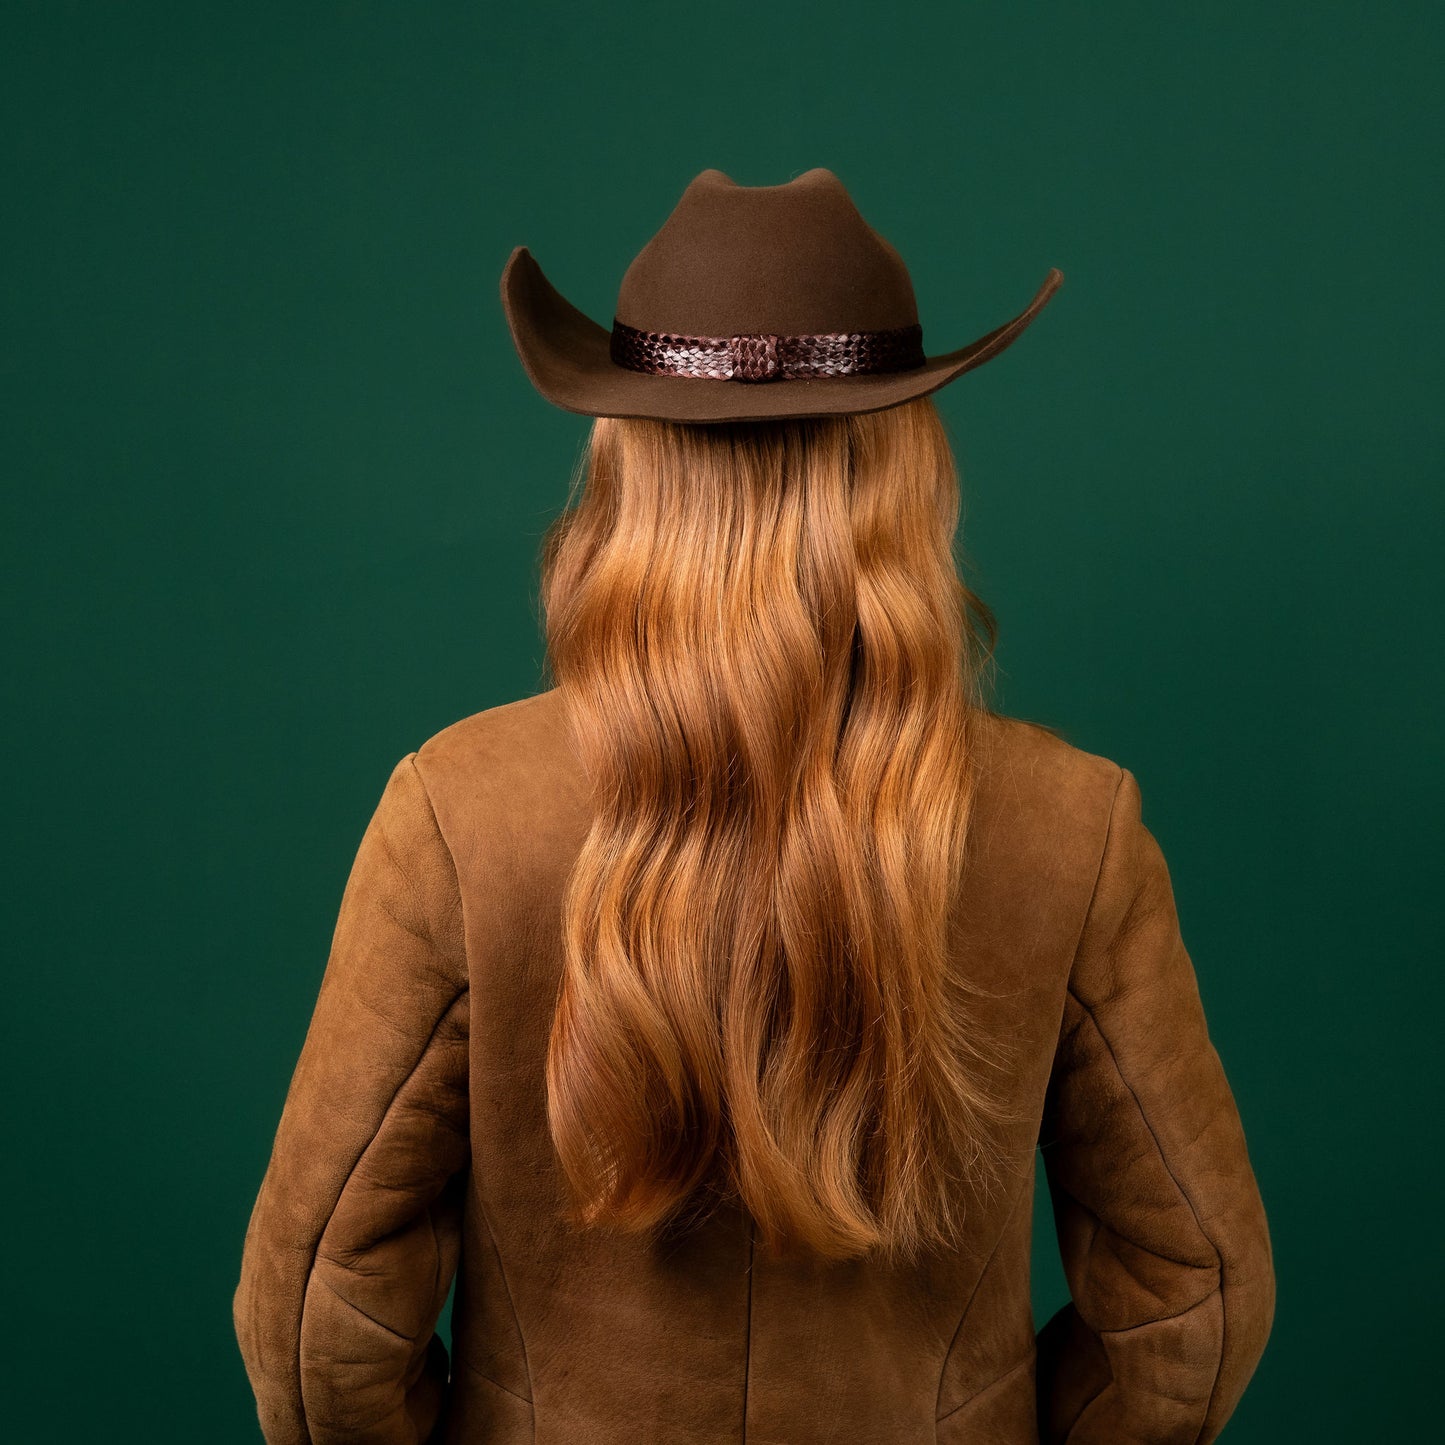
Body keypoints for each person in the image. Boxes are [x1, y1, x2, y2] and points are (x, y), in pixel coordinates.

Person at [233, 167, 1275, 1444]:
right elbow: (1193, 1298)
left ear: (622, 458)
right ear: (907, 465)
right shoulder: (1070, 826)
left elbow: (318, 1315)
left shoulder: (457, 813)